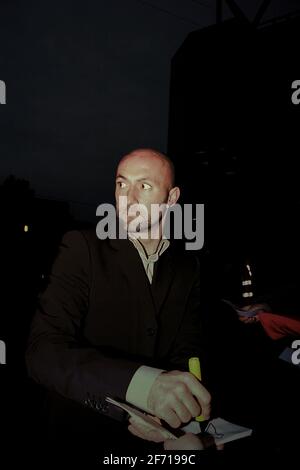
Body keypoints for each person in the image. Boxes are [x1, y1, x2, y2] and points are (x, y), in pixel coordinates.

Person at [26, 148, 211, 452]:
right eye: (122, 184)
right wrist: (142, 386)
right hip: (79, 436)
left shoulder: (187, 267)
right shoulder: (82, 248)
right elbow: (42, 352)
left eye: (145, 186)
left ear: (172, 198)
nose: (129, 198)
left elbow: (187, 350)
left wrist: (181, 414)